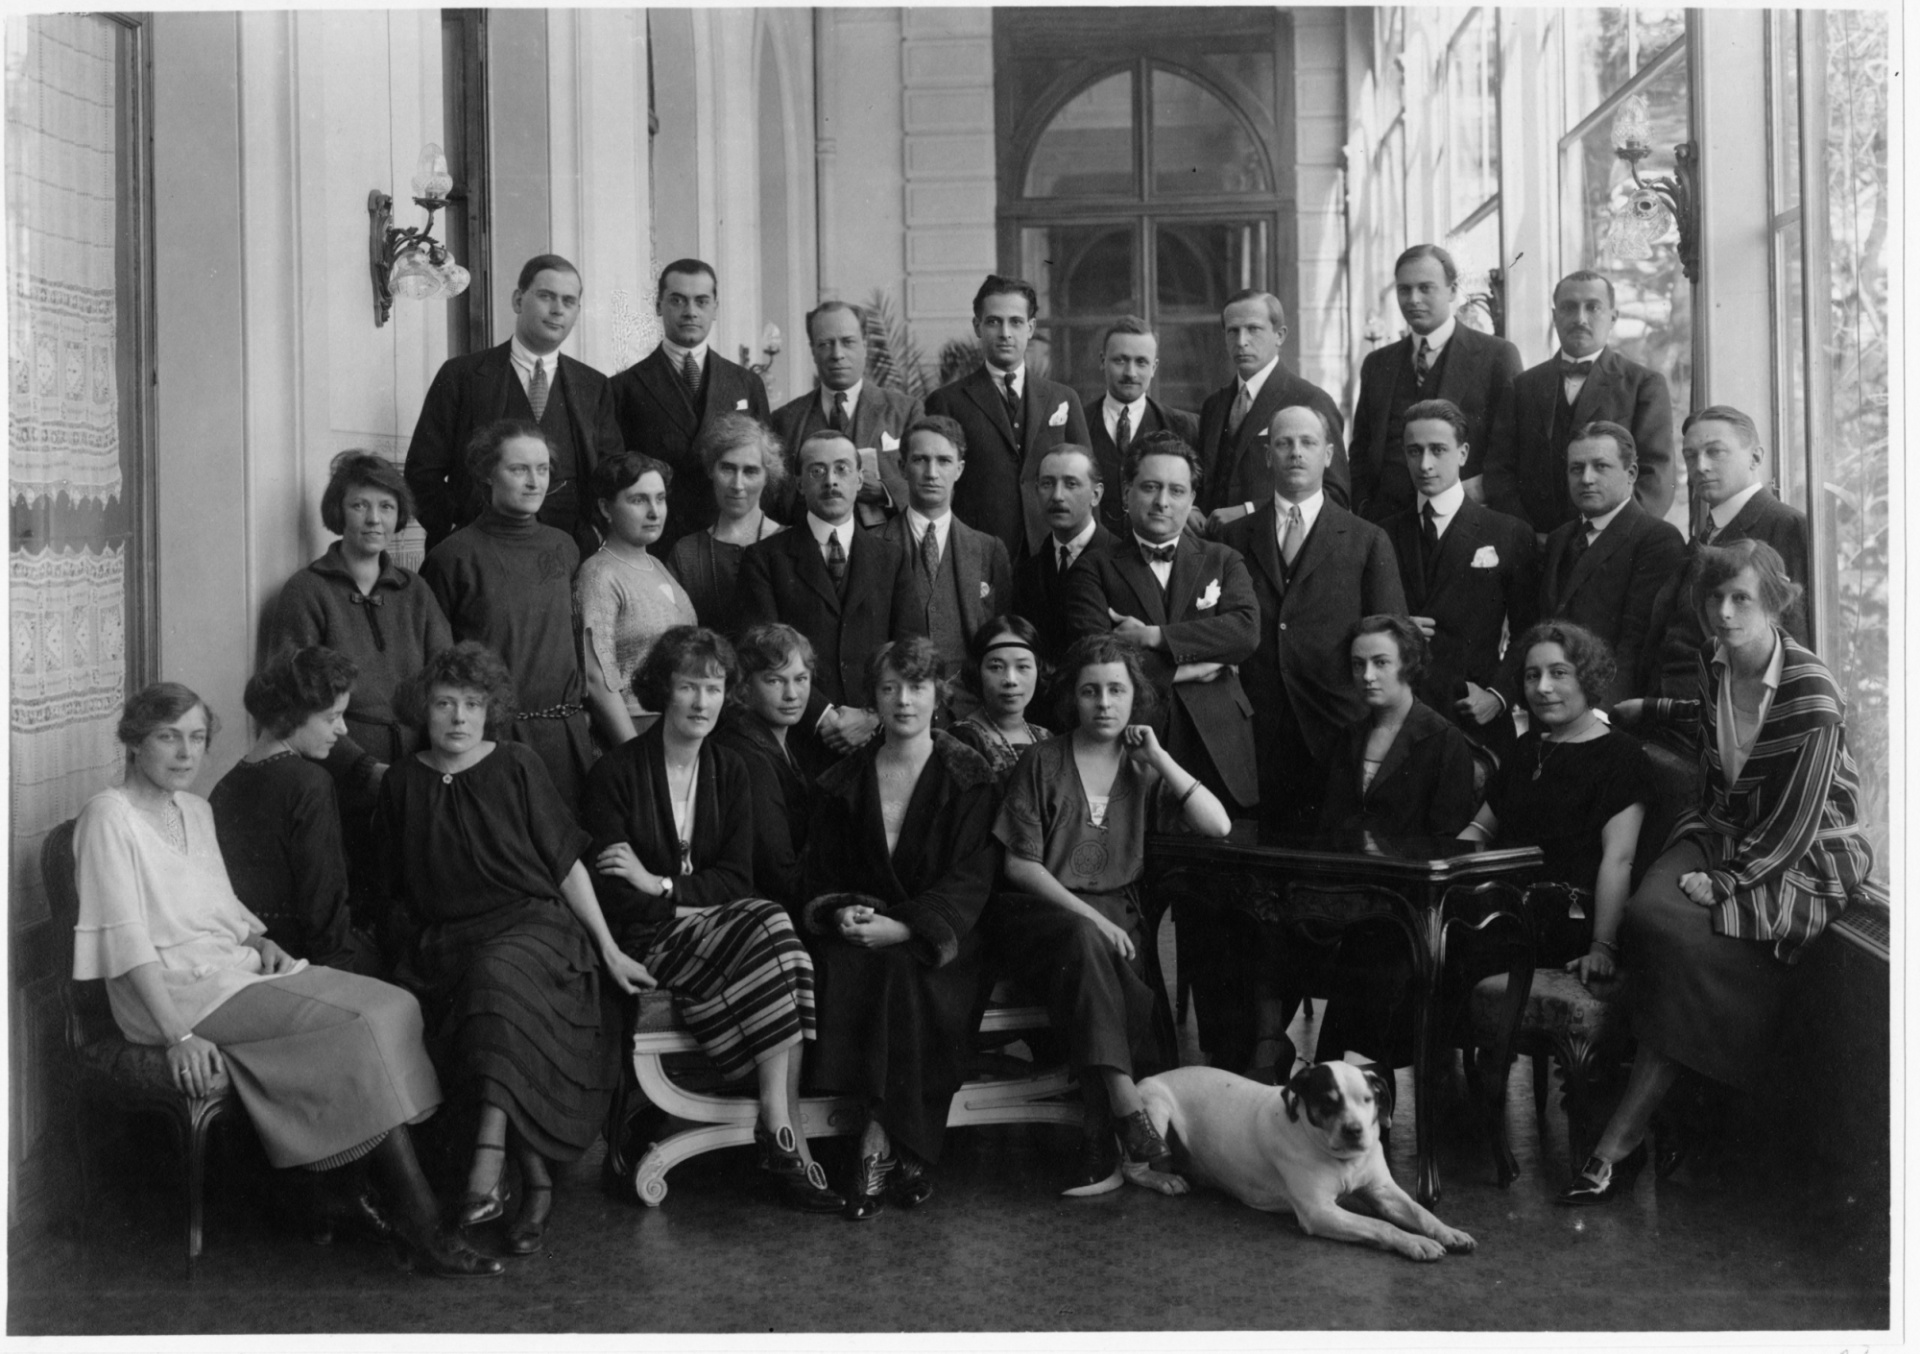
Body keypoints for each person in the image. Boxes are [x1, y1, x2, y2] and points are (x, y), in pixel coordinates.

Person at [76, 682, 499, 1278]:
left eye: (197, 739)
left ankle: (341, 1191)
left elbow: (218, 905)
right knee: (353, 1028)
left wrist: (257, 940)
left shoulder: (194, 810)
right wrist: (177, 1036)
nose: (185, 754)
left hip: (229, 971)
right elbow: (125, 941)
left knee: (395, 1005)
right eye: (168, 738)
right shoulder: (107, 816)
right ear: (132, 742)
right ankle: (421, 1223)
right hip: (171, 994)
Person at [1562, 542, 1885, 1204]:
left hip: (1798, 853)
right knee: (1647, 916)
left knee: (1681, 942)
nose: (1726, 612)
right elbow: (1715, 723)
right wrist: (1644, 710)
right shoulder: (1720, 662)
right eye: (1716, 599)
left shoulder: (1811, 690)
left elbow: (1798, 816)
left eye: (1742, 599)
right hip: (1728, 827)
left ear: (1774, 603)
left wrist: (1731, 881)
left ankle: (1621, 1136)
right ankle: (1657, 1115)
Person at [379, 642, 646, 1258]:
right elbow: (392, 888)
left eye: (472, 704)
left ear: (489, 710)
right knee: (483, 985)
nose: (458, 717)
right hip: (447, 942)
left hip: (535, 929)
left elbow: (566, 867)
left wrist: (606, 948)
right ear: (425, 708)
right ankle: (538, 1184)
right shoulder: (400, 782)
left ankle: (487, 1165)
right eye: (445, 703)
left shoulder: (518, 764)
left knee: (497, 978)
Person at [580, 627, 841, 1213]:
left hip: (721, 928)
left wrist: (661, 882)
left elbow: (736, 879)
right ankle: (784, 1131)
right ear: (661, 693)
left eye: (715, 688)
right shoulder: (614, 774)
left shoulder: (730, 769)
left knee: (776, 933)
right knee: (776, 929)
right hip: (647, 939)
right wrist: (675, 898)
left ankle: (780, 1126)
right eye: (688, 687)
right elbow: (618, 899)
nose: (702, 703)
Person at [987, 633, 1231, 1193]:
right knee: (1086, 939)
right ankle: (1126, 1102)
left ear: (1133, 698)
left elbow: (1216, 825)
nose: (1103, 703)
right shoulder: (1041, 760)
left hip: (1117, 917)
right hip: (1042, 913)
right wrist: (1092, 919)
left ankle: (1111, 1143)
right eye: (1091, 691)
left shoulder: (1143, 769)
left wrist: (1161, 758)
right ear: (1073, 698)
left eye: (1116, 691)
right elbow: (1021, 868)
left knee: (1106, 949)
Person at [796, 638, 1002, 1220]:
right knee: (865, 965)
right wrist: (843, 912)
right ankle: (909, 1157)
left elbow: (973, 876)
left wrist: (907, 928)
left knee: (904, 974)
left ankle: (876, 1145)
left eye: (916, 687)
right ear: (874, 699)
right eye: (889, 689)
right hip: (863, 935)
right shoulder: (843, 779)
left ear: (939, 695)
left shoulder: (969, 776)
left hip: (947, 939)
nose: (903, 701)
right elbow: (823, 870)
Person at [269, 450, 451, 906]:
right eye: (360, 506)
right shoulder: (307, 591)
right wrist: (363, 770)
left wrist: (436, 758)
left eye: (386, 507)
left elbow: (447, 680)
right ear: (338, 512)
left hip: (418, 769)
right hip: (340, 775)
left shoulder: (416, 592)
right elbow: (298, 697)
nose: (374, 519)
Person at [1220, 404, 1408, 835]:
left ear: (1327, 454)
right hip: (1255, 731)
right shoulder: (1233, 537)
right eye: (1284, 443)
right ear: (1268, 456)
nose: (1295, 453)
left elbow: (1390, 645)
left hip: (1337, 731)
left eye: (1308, 443)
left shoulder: (1366, 539)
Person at [1063, 431, 1260, 814]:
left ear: (1192, 499)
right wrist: (1195, 666)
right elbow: (1094, 656)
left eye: (1176, 490)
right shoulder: (1094, 567)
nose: (1162, 502)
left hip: (1221, 743)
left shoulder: (1223, 559)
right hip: (1132, 739)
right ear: (1126, 492)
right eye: (1150, 487)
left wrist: (1153, 636)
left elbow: (1245, 633)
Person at [419, 420, 595, 812]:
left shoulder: (564, 547)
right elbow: (436, 665)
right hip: (489, 742)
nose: (534, 482)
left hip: (564, 739)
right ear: (486, 473)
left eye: (543, 469)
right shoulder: (453, 557)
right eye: (519, 470)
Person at [1461, 622, 1652, 975]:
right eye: (1532, 676)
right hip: (1499, 907)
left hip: (1562, 919)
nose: (1542, 688)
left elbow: (1618, 860)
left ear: (1588, 679)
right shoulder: (1526, 747)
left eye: (1558, 673)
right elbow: (1479, 830)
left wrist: (1602, 948)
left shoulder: (1622, 756)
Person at [404, 254, 623, 554]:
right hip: (478, 552)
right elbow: (421, 471)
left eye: (568, 301)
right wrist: (455, 531)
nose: (558, 309)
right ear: (518, 300)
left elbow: (611, 473)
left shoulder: (595, 386)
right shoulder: (461, 375)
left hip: (569, 554)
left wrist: (596, 533)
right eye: (546, 296)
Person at [736, 430, 925, 757]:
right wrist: (824, 717)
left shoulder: (890, 558)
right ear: (799, 484)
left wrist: (872, 716)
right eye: (817, 471)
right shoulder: (765, 558)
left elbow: (911, 648)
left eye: (842, 469)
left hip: (877, 741)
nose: (830, 481)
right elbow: (760, 654)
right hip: (798, 740)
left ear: (860, 478)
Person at [1377, 400, 1537, 763]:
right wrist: (1390, 627)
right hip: (1397, 717)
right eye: (1414, 451)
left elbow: (1530, 631)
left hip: (1472, 716)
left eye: (1438, 450)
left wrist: (1498, 696)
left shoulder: (1508, 533)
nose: (1425, 464)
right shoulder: (1381, 533)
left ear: (1463, 453)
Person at [209, 646, 382, 974]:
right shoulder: (309, 784)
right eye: (332, 717)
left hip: (248, 957)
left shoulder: (225, 785)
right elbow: (324, 906)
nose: (343, 729)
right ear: (290, 715)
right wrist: (340, 979)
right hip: (302, 962)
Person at [1638, 405, 1811, 707]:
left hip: (1725, 712)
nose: (1700, 466)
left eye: (1715, 452)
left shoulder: (1785, 524)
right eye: (1690, 455)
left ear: (1755, 457)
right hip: (1674, 705)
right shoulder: (1707, 532)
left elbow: (1793, 644)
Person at [1482, 270, 1677, 533]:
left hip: (1611, 549)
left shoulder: (1643, 384)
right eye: (1569, 308)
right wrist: (1524, 535)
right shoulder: (1522, 386)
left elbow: (1656, 476)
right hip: (1535, 548)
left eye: (1593, 307)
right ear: (1554, 316)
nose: (1580, 318)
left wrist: (1611, 539)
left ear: (1613, 317)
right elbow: (1499, 473)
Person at [1347, 244, 1521, 523]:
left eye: (1425, 288)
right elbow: (1361, 450)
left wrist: (1479, 493)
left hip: (1464, 519)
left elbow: (1511, 448)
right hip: (1385, 523)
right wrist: (1364, 505)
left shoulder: (1496, 356)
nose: (1413, 299)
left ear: (1452, 290)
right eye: (1404, 290)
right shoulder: (1378, 363)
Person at [925, 274, 1091, 560]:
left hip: (1054, 551)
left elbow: (1087, 481)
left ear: (1031, 327)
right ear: (977, 326)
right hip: (977, 552)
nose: (1005, 333)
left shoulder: (1063, 398)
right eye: (993, 321)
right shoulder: (947, 401)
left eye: (1015, 322)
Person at [610, 258, 772, 551]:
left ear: (715, 308)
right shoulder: (625, 387)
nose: (690, 312)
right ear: (658, 305)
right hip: (661, 542)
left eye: (701, 301)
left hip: (733, 539)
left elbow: (766, 469)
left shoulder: (746, 383)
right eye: (677, 300)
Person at [1537, 422, 1687, 706]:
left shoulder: (1657, 539)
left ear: (1630, 474)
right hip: (1551, 704)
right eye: (1576, 468)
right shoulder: (1560, 538)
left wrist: (1603, 715)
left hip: (1607, 711)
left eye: (1601, 466)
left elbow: (1637, 643)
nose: (1586, 479)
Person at [1195, 289, 1349, 529]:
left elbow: (1335, 495)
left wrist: (1249, 511)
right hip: (1216, 551)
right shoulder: (1214, 405)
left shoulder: (1310, 400)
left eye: (1253, 329)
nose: (1241, 341)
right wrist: (1191, 509)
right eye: (1232, 331)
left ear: (1280, 335)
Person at [575, 452, 698, 746]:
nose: (655, 511)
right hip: (634, 729)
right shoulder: (599, 574)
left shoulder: (657, 566)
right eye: (638, 500)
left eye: (660, 498)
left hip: (678, 725)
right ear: (606, 507)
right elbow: (597, 677)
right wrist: (634, 752)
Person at [1317, 615, 1479, 838]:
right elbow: (1331, 824)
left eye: (1381, 662)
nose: (1367, 676)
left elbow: (1448, 835)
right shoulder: (1350, 735)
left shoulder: (1444, 739)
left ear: (1409, 663)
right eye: (1358, 664)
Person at [874, 415, 1014, 671]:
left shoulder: (988, 549)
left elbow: (1002, 640)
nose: (931, 473)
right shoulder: (873, 545)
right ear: (902, 467)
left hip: (969, 701)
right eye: (920, 460)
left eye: (944, 461)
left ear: (959, 470)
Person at [767, 300, 918, 527]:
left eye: (847, 342)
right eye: (826, 344)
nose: (837, 354)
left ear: (865, 346)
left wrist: (883, 491)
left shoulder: (905, 411)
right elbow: (776, 500)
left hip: (887, 550)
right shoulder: (785, 420)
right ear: (813, 351)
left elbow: (929, 484)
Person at [710, 624, 828, 908]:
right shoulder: (746, 755)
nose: (792, 694)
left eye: (801, 679)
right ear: (745, 686)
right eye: (775, 681)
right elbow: (778, 874)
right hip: (763, 908)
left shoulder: (780, 739)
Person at [662, 413, 788, 634]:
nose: (737, 484)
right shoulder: (686, 553)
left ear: (767, 476)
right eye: (728, 469)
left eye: (750, 471)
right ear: (711, 469)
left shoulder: (791, 543)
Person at [1082, 317, 1200, 541]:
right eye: (1120, 360)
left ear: (1154, 367)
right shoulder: (1077, 422)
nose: (1130, 373)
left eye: (1141, 362)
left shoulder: (1185, 427)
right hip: (1092, 556)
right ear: (1102, 360)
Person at [1009, 445, 1115, 664]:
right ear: (1036, 491)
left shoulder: (1123, 561)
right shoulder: (1028, 571)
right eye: (1047, 484)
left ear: (1096, 494)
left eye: (1071, 484)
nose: (1057, 496)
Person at [947, 614, 1050, 780]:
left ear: (1038, 671)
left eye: (1023, 667)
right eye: (996, 667)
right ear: (977, 671)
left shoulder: (1044, 737)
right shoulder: (963, 740)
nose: (1010, 680)